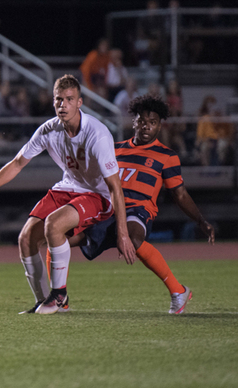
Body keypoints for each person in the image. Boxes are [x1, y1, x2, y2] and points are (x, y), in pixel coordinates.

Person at [0, 74, 137, 315]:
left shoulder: (97, 133)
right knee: (25, 238)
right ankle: (45, 301)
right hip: (67, 188)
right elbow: (18, 163)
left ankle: (59, 295)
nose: (63, 104)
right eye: (59, 99)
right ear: (53, 101)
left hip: (97, 195)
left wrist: (122, 233)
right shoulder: (48, 129)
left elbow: (115, 187)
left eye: (69, 99)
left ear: (79, 102)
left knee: (54, 224)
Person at [65, 95, 214, 314]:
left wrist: (200, 220)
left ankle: (178, 291)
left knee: (133, 238)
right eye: (142, 121)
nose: (146, 126)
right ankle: (58, 298)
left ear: (159, 126)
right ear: (134, 122)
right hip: (108, 210)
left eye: (152, 122)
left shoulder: (166, 156)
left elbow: (180, 195)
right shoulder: (114, 148)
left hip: (138, 210)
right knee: (60, 238)